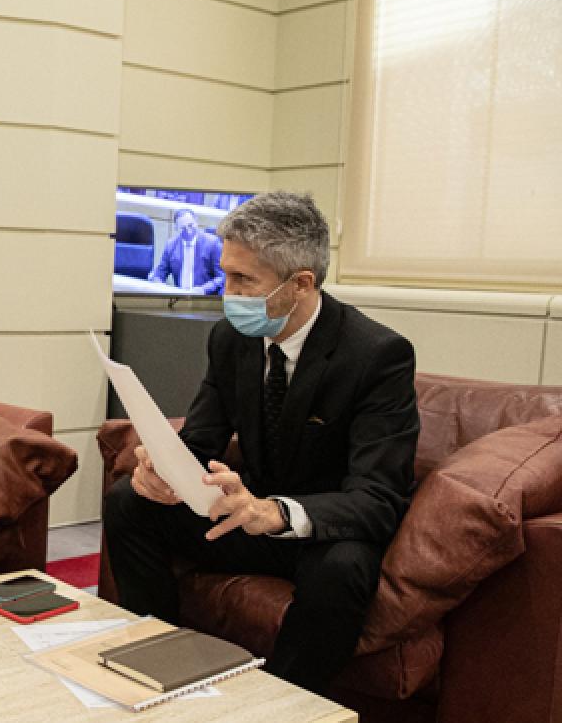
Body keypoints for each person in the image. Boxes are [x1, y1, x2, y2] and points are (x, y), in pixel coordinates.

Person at [103, 191, 418, 694]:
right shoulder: (231, 338)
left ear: (300, 284)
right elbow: (203, 439)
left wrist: (277, 511)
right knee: (127, 502)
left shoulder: (377, 355)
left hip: (320, 530)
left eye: (242, 280)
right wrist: (161, 465)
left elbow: (379, 498)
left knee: (343, 569)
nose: (225, 292)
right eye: (225, 273)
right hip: (246, 514)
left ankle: (280, 701)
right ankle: (154, 657)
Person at [149, 208, 224, 294]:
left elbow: (222, 277)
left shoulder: (213, 243)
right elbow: (159, 274)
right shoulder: (170, 245)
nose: (188, 231)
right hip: (179, 298)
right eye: (182, 228)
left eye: (190, 225)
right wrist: (158, 283)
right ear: (176, 228)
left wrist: (203, 289)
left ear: (196, 222)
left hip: (204, 298)